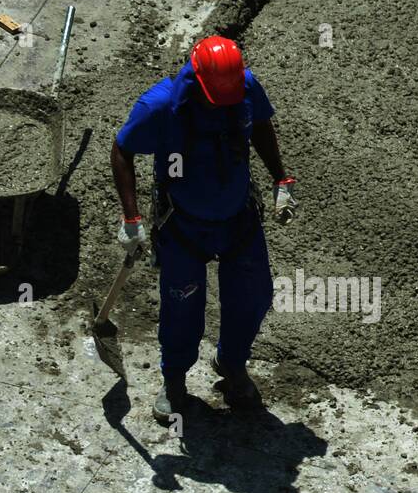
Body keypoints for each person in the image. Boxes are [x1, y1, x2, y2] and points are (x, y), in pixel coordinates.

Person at [110, 35, 296, 423]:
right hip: (182, 225)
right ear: (197, 79)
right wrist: (131, 219)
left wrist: (282, 180)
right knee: (182, 306)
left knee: (253, 297)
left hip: (238, 217)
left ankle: (231, 365)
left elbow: (261, 125)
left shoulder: (243, 85)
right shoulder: (159, 106)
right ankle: (174, 379)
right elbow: (122, 150)